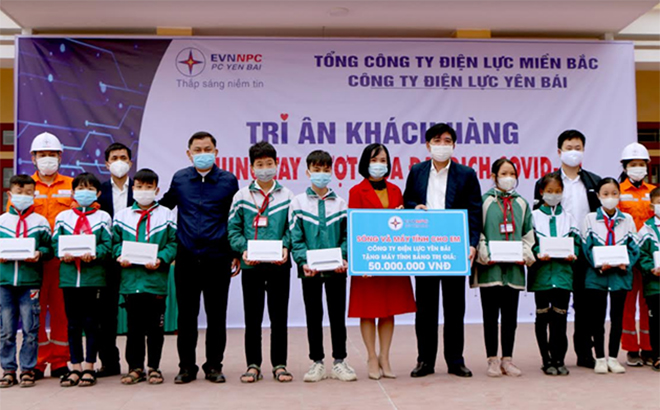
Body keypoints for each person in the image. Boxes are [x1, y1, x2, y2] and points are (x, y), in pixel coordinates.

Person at [160, 131, 240, 384]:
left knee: (217, 315)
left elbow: (235, 218)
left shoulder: (228, 181)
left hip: (218, 258)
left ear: (216, 152)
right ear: (189, 153)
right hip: (186, 258)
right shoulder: (180, 179)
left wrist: (235, 252)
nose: (203, 153)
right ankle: (186, 367)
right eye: (198, 149)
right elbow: (164, 207)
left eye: (207, 149)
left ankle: (214, 366)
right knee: (187, 316)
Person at [403, 123, 482, 378]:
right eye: (437, 140)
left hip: (454, 249)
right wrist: (415, 208)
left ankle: (455, 360)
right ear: (428, 145)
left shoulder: (466, 174)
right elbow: (408, 201)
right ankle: (425, 360)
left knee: (454, 307)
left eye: (447, 140)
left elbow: (474, 211)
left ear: (454, 145)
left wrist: (471, 244)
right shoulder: (416, 171)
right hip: (425, 250)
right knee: (425, 308)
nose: (442, 145)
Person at [7, 132, 74, 379]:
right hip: (31, 263)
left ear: (60, 157)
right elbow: (13, 223)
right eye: (42, 154)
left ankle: (59, 361)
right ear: (33, 158)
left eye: (52, 154)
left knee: (60, 311)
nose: (48, 159)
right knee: (33, 312)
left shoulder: (72, 185)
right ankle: (37, 362)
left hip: (63, 262)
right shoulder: (24, 187)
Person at [533, 129, 601, 369]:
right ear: (559, 151)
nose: (574, 152)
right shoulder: (548, 182)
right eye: (569, 148)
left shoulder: (593, 181)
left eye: (578, 148)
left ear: (583, 150)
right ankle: (552, 357)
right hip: (553, 256)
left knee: (585, 305)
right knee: (555, 307)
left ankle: (584, 353)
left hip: (583, 251)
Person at [228, 141, 294, 383]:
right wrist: (243, 249)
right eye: (260, 164)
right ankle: (253, 364)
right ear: (251, 168)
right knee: (252, 317)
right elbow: (233, 229)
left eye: (269, 164)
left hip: (279, 266)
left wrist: (286, 246)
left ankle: (280, 364)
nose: (265, 168)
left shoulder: (287, 196)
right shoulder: (242, 196)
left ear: (277, 165)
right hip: (252, 265)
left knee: (279, 317)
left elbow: (292, 229)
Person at [349, 143, 416, 380]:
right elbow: (354, 228)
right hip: (368, 261)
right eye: (374, 159)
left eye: (383, 160)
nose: (379, 164)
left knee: (389, 311)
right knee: (368, 311)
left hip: (392, 260)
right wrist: (360, 262)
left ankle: (385, 357)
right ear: (365, 163)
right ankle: (370, 356)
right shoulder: (356, 191)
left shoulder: (397, 190)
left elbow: (404, 224)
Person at [289, 150, 356, 382]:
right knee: (313, 315)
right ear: (307, 172)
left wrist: (344, 258)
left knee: (338, 316)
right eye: (316, 170)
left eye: (326, 170)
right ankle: (316, 362)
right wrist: (303, 261)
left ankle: (340, 361)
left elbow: (347, 236)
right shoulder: (297, 202)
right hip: (310, 271)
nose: (321, 174)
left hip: (337, 270)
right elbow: (295, 238)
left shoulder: (340, 203)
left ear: (332, 171)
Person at [113, 169, 177, 385]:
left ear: (157, 190)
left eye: (148, 187)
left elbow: (173, 243)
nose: (143, 191)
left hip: (155, 282)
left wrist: (161, 258)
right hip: (131, 283)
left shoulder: (167, 214)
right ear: (133, 189)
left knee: (155, 329)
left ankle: (154, 367)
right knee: (134, 329)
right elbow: (114, 244)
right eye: (139, 187)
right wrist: (119, 256)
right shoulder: (122, 216)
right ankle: (135, 368)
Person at [472, 158, 535, 377]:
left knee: (510, 317)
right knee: (490, 316)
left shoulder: (522, 203)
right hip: (490, 269)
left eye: (512, 174)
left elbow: (528, 234)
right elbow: (476, 231)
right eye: (504, 173)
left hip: (514, 270)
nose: (508, 178)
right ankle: (492, 359)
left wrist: (525, 255)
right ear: (493, 176)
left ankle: (508, 359)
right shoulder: (484, 202)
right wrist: (484, 253)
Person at [53, 173, 112, 387]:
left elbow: (108, 245)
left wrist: (95, 253)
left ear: (97, 193)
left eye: (89, 189)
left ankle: (89, 366)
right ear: (73, 192)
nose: (84, 192)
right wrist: (62, 253)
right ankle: (75, 366)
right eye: (80, 188)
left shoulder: (103, 217)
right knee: (73, 324)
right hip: (69, 278)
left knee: (91, 323)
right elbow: (54, 244)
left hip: (93, 277)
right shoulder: (63, 217)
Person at [581, 177, 639, 374]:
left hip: (619, 276)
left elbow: (634, 247)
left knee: (617, 318)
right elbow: (586, 247)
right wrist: (598, 265)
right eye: (605, 194)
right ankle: (599, 357)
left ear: (619, 196)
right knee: (597, 319)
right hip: (596, 276)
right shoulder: (589, 219)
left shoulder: (627, 220)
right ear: (598, 196)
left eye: (614, 194)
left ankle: (613, 357)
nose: (610, 198)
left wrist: (627, 263)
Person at [0, 175, 52, 388]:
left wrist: (39, 253)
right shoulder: (2, 221)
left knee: (31, 328)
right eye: (19, 193)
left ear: (34, 195)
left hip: (30, 282)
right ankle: (8, 369)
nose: (23, 197)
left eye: (28, 193)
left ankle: (28, 369)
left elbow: (50, 248)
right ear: (10, 194)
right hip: (4, 282)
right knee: (6, 330)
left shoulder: (40, 222)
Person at [529, 173, 580, 376]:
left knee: (560, 318)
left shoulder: (569, 218)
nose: (554, 195)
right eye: (549, 191)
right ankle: (546, 360)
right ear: (541, 192)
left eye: (558, 191)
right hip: (541, 276)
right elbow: (529, 243)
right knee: (542, 318)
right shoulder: (533, 217)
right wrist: (536, 254)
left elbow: (576, 243)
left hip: (563, 275)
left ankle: (559, 358)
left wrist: (573, 253)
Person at [96, 142, 134, 377]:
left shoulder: (141, 189)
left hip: (134, 261)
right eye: (114, 157)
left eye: (123, 157)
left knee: (136, 315)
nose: (119, 161)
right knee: (105, 315)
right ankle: (109, 362)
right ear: (107, 163)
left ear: (130, 162)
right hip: (105, 261)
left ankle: (136, 364)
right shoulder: (98, 191)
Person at [617, 143, 656, 367]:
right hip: (629, 255)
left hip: (650, 256)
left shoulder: (653, 192)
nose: (637, 168)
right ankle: (631, 348)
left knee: (649, 303)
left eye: (641, 164)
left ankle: (649, 347)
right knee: (628, 303)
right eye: (633, 164)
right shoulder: (618, 192)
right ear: (625, 167)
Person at [637, 186, 660, 371]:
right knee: (656, 321)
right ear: (652, 206)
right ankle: (657, 355)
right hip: (655, 285)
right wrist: (650, 269)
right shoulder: (645, 230)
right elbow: (641, 255)